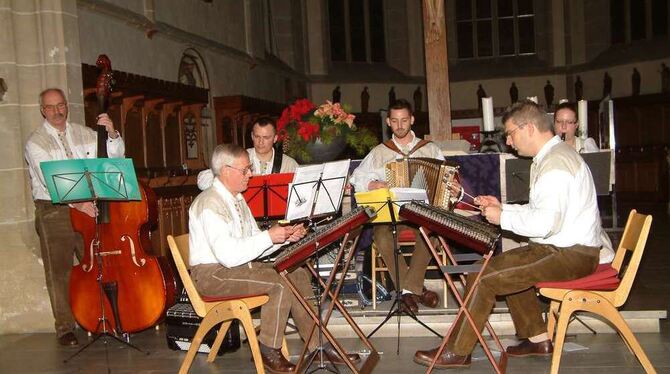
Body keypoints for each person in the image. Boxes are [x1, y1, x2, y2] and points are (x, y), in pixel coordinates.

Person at [414, 100, 604, 368]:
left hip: (571, 254)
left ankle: (458, 351)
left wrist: (502, 217)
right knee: (507, 265)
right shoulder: (552, 156)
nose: (509, 141)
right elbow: (543, 211)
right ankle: (538, 339)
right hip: (564, 248)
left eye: (510, 133)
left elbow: (543, 224)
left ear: (528, 128)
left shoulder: (556, 165)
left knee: (484, 278)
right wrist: (503, 208)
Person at [189, 144, 359, 373]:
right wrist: (270, 237)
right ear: (226, 170)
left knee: (296, 272)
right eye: (245, 170)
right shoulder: (210, 203)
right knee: (278, 283)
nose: (251, 174)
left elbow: (252, 242)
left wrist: (284, 237)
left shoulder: (236, 197)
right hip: (213, 275)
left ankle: (319, 347)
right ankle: (269, 349)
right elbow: (229, 256)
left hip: (235, 267)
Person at [24, 88, 125, 346]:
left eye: (60, 105)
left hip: (87, 205)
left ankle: (102, 317)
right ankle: (65, 327)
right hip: (53, 208)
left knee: (96, 263)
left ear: (66, 106)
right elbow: (50, 182)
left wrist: (111, 133)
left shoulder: (83, 133)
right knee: (60, 271)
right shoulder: (35, 142)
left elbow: (114, 158)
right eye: (50, 107)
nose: (57, 111)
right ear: (42, 111)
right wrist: (78, 205)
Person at [350, 99, 443, 314]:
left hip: (422, 216)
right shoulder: (380, 152)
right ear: (389, 123)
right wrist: (372, 183)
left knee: (432, 234)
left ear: (411, 120)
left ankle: (407, 292)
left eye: (404, 120)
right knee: (381, 236)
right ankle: (417, 291)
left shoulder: (430, 149)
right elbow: (358, 178)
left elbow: (446, 178)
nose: (400, 125)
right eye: (395, 121)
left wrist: (451, 185)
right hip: (392, 216)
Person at [553, 102, 615, 263]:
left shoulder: (587, 145)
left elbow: (598, 179)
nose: (564, 127)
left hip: (582, 212)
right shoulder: (548, 149)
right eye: (560, 122)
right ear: (554, 124)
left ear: (577, 125)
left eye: (569, 122)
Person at [197, 117, 298, 190]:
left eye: (266, 137)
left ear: (275, 138)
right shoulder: (239, 158)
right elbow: (202, 183)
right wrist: (223, 172)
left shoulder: (289, 164)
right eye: (257, 137)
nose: (261, 142)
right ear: (252, 136)